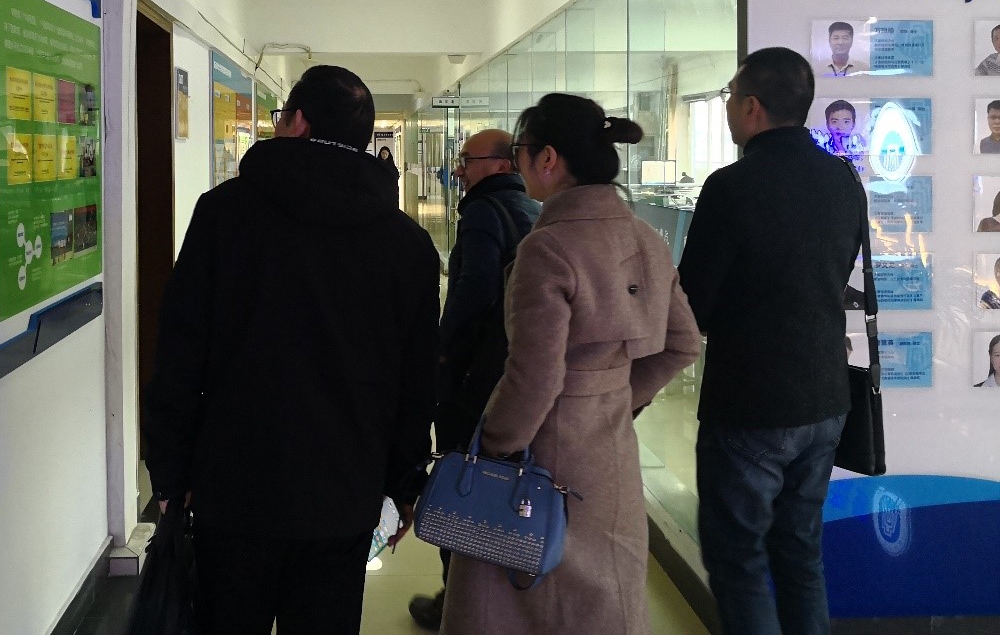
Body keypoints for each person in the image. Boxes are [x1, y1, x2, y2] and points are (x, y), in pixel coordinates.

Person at [143, 65, 440, 635]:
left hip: (232, 485)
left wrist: (170, 471)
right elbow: (416, 381)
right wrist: (405, 483)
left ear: (298, 122)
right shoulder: (407, 245)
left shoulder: (223, 214)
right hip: (344, 491)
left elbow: (179, 350)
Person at [441, 94, 701, 635]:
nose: (518, 162)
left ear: (548, 158)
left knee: (520, 595)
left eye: (521, 150)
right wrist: (615, 395)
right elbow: (683, 343)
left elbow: (535, 375)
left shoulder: (548, 247)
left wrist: (494, 447)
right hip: (610, 453)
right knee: (600, 596)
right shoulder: (645, 238)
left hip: (541, 456)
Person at [678, 47, 863, 635]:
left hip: (751, 403)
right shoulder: (843, 179)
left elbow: (693, 302)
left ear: (751, 106)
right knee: (801, 553)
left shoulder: (731, 186)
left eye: (730, 98)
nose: (729, 108)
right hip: (826, 397)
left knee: (739, 559)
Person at [408, 128, 540, 631]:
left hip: (473, 374)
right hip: (511, 371)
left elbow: (475, 287)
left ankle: (458, 603)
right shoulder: (531, 210)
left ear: (502, 165)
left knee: (457, 484)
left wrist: (441, 348)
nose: (459, 169)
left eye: (468, 159)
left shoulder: (485, 211)